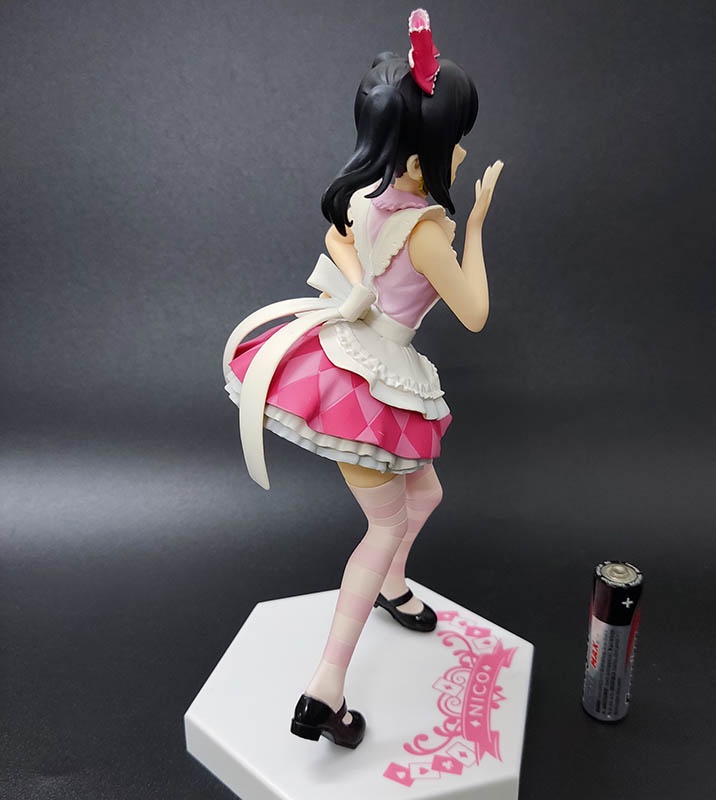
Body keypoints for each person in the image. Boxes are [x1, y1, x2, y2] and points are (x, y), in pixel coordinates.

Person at [222, 9, 503, 749]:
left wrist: (359, 286)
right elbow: (475, 313)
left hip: (354, 355)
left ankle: (392, 586)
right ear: (421, 158)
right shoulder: (428, 229)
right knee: (385, 525)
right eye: (456, 139)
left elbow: (333, 233)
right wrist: (475, 227)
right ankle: (326, 688)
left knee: (426, 494)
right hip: (373, 382)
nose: (463, 150)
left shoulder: (366, 196)